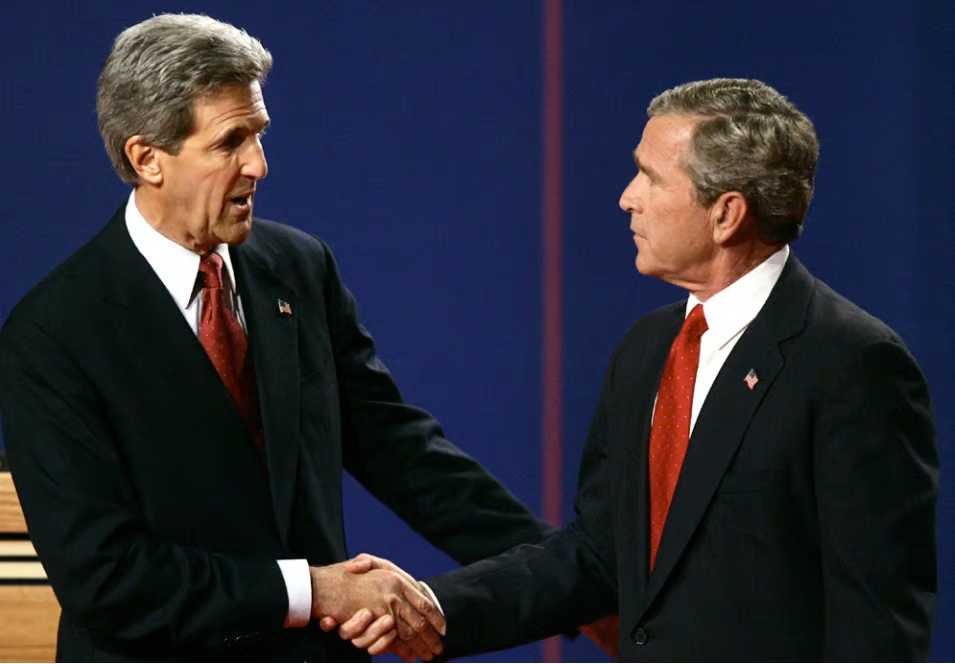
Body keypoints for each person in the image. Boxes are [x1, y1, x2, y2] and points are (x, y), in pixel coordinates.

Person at [0, 14, 569, 662]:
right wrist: (312, 591)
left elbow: (403, 454)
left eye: (259, 134)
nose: (259, 165)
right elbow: (106, 577)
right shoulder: (53, 336)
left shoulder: (299, 267)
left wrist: (568, 580)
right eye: (229, 142)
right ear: (147, 159)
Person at [338, 78, 939, 661]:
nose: (628, 196)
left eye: (651, 177)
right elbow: (600, 554)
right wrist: (436, 606)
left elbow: (876, 617)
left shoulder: (850, 364)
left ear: (726, 214)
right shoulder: (649, 348)